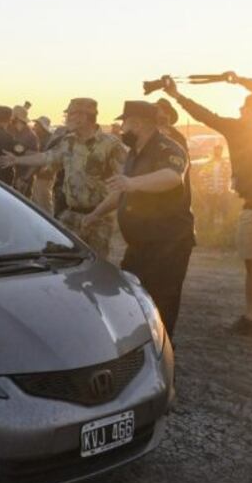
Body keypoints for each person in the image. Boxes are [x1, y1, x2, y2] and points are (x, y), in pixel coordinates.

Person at [164, 72, 252, 349]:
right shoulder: (234, 129)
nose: (240, 110)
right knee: (251, 263)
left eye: (245, 107)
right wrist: (176, 96)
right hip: (250, 205)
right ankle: (250, 318)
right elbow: (203, 114)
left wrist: (237, 79)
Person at [82, 101, 194, 336]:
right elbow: (121, 191)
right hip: (140, 243)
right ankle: (141, 341)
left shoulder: (168, 149)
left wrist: (132, 183)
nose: (122, 129)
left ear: (139, 124)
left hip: (168, 244)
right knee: (132, 293)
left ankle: (163, 351)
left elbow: (172, 177)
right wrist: (94, 214)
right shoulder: (134, 154)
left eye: (125, 123)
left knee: (162, 301)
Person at [0, 98, 126, 261]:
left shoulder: (111, 145)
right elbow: (47, 157)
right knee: (66, 265)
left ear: (83, 116)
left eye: (71, 114)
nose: (67, 118)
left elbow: (125, 181)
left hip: (99, 219)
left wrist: (98, 213)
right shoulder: (69, 141)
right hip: (71, 215)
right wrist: (17, 160)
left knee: (96, 267)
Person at [9, 106, 40, 196]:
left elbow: (35, 161)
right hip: (14, 177)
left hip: (24, 180)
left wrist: (24, 179)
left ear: (16, 117)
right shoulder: (14, 132)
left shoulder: (30, 136)